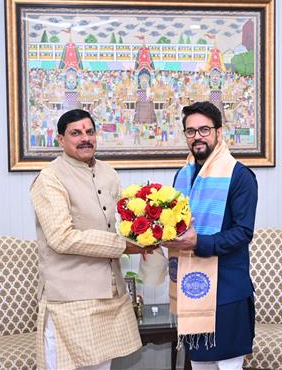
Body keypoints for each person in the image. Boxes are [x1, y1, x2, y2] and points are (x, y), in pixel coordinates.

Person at [30, 109, 146, 370]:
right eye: (76, 133)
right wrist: (121, 246)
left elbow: (121, 223)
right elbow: (62, 238)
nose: (85, 138)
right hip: (71, 302)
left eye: (89, 132)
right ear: (61, 140)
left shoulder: (108, 173)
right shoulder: (49, 179)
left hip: (109, 296)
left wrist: (151, 230)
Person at [161, 101, 258, 370]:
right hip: (192, 289)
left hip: (227, 291)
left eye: (204, 129)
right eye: (190, 131)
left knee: (228, 367)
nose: (197, 137)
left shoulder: (240, 176)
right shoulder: (182, 176)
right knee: (201, 366)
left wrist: (198, 242)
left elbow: (243, 233)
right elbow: (176, 225)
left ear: (219, 131)